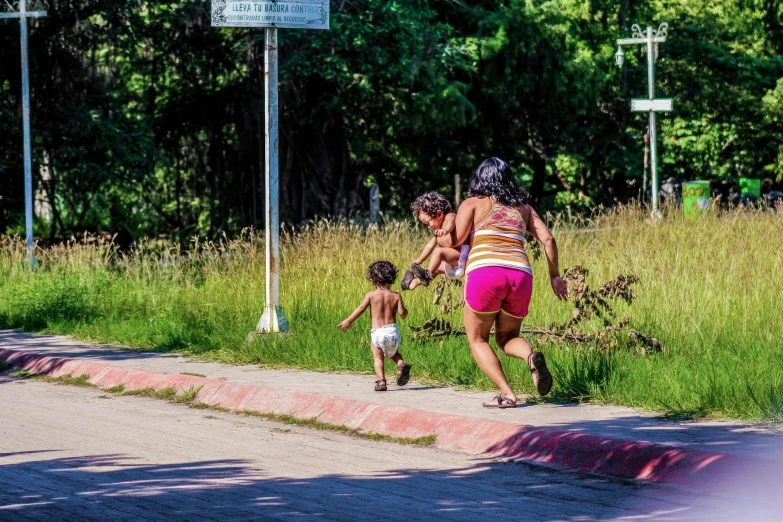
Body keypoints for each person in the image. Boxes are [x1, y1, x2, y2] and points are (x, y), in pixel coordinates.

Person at [438, 157, 569, 408]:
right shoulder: (524, 208)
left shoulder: (473, 204)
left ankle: (506, 394)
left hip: (485, 272)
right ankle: (530, 358)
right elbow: (548, 239)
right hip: (520, 274)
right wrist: (554, 275)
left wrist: (441, 234)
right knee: (507, 337)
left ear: (480, 178)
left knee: (478, 339)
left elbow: (455, 242)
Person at [337, 260, 412, 391]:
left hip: (378, 332)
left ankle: (381, 382)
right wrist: (405, 312)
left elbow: (360, 309)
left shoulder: (371, 295)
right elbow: (402, 313)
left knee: (378, 357)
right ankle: (401, 365)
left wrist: (348, 321)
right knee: (395, 354)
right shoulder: (396, 296)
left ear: (372, 280)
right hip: (392, 332)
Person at [402, 192, 470, 291]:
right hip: (455, 264)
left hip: (464, 259)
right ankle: (413, 283)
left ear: (439, 214)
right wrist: (420, 260)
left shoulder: (449, 216)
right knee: (436, 269)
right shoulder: (437, 233)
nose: (428, 227)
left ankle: (426, 275)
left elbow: (451, 222)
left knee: (438, 252)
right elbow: (430, 245)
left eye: (428, 222)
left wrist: (445, 230)